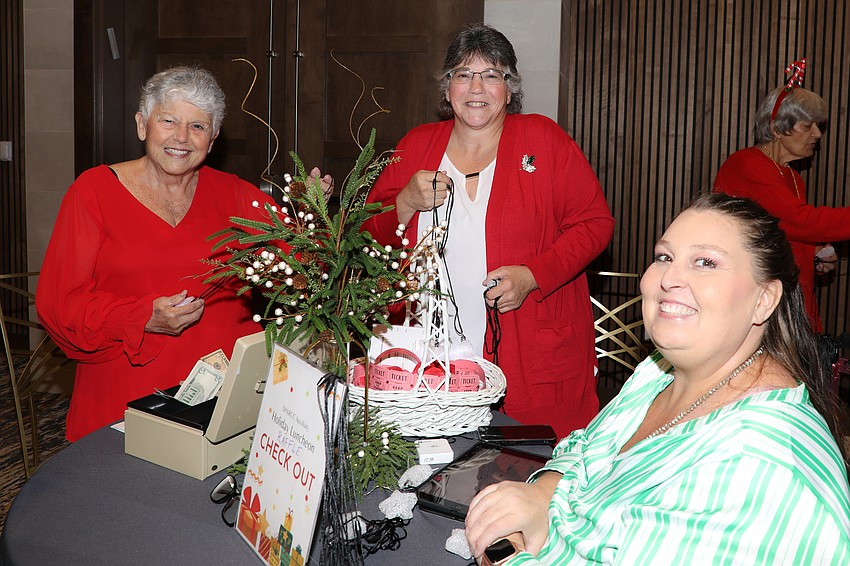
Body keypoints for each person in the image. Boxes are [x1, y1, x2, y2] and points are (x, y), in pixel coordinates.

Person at [465, 193, 850, 565]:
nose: (669, 278)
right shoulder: (660, 372)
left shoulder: (764, 467)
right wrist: (543, 491)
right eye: (664, 257)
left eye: (705, 262)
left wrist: (506, 553)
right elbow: (586, 448)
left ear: (764, 299)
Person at [36, 66, 329, 441]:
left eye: (198, 126)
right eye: (169, 120)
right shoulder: (92, 193)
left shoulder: (236, 195)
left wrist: (313, 217)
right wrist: (141, 318)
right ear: (143, 125)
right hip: (129, 400)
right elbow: (59, 305)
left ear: (214, 137)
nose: (181, 137)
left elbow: (306, 270)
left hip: (229, 404)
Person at [363, 24, 614, 437]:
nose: (476, 86)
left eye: (491, 74)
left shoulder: (544, 139)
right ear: (447, 89)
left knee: (527, 472)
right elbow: (364, 236)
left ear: (509, 88)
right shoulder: (415, 146)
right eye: (463, 74)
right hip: (433, 352)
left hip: (529, 349)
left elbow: (595, 224)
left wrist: (534, 275)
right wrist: (404, 202)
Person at [713, 59, 850, 332]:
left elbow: (784, 228)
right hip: (758, 305)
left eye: (818, 125)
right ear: (777, 129)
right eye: (808, 125)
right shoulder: (746, 164)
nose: (818, 134)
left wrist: (815, 251)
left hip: (791, 303)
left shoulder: (793, 176)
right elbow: (800, 220)